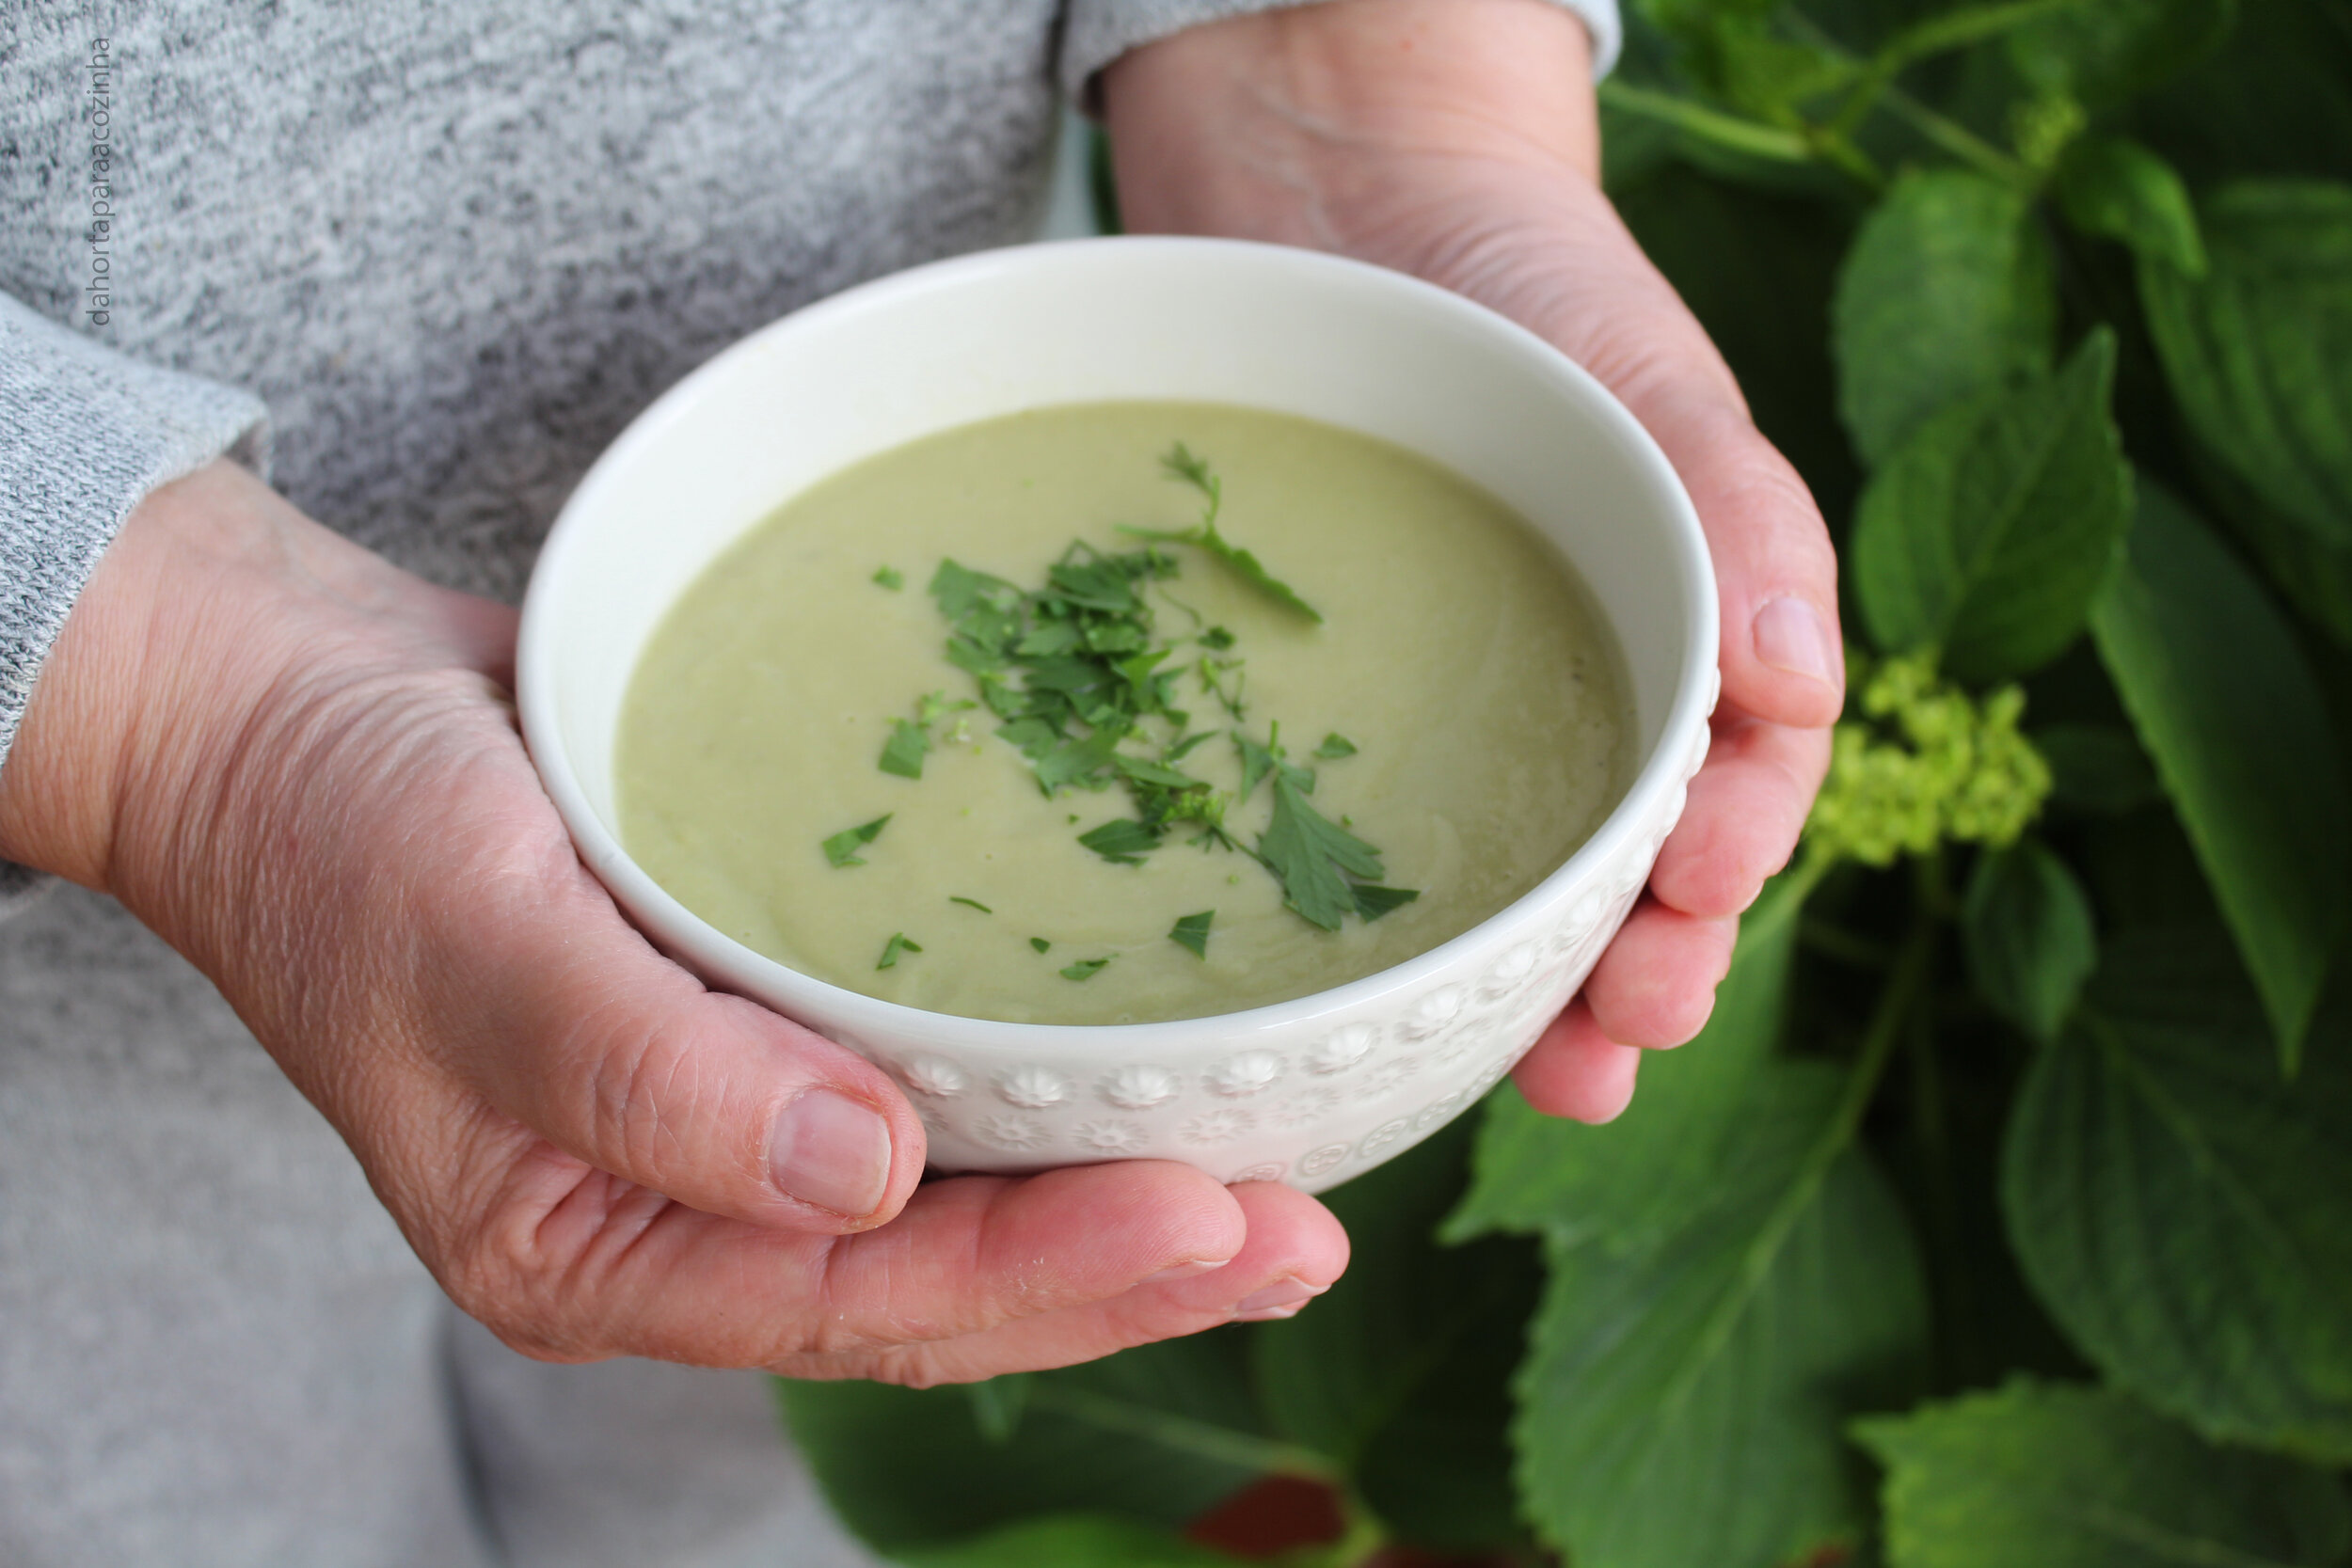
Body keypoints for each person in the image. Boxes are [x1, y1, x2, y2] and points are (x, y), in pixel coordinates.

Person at [0, 0, 1841, 1561]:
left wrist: (1358, 76)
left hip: (832, 1086)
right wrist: (170, 713)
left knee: (743, 1502)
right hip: (61, 1091)